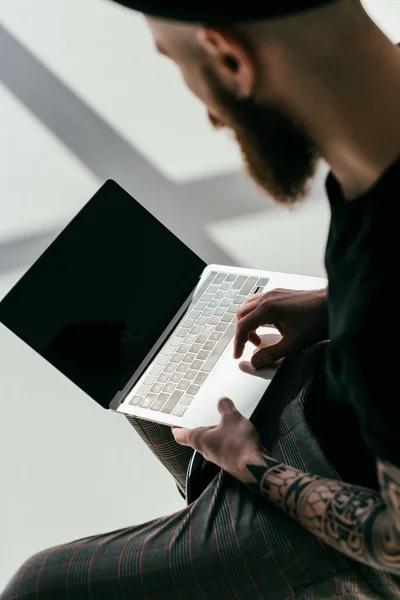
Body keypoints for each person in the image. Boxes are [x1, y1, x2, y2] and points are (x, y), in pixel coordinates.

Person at [2, 1, 400, 598]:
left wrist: (251, 465)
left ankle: (247, 532)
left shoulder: (379, 289)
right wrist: (328, 303)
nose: (210, 115)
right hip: (334, 390)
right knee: (144, 361)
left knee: (38, 588)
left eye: (178, 65)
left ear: (228, 56)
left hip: (340, 489)